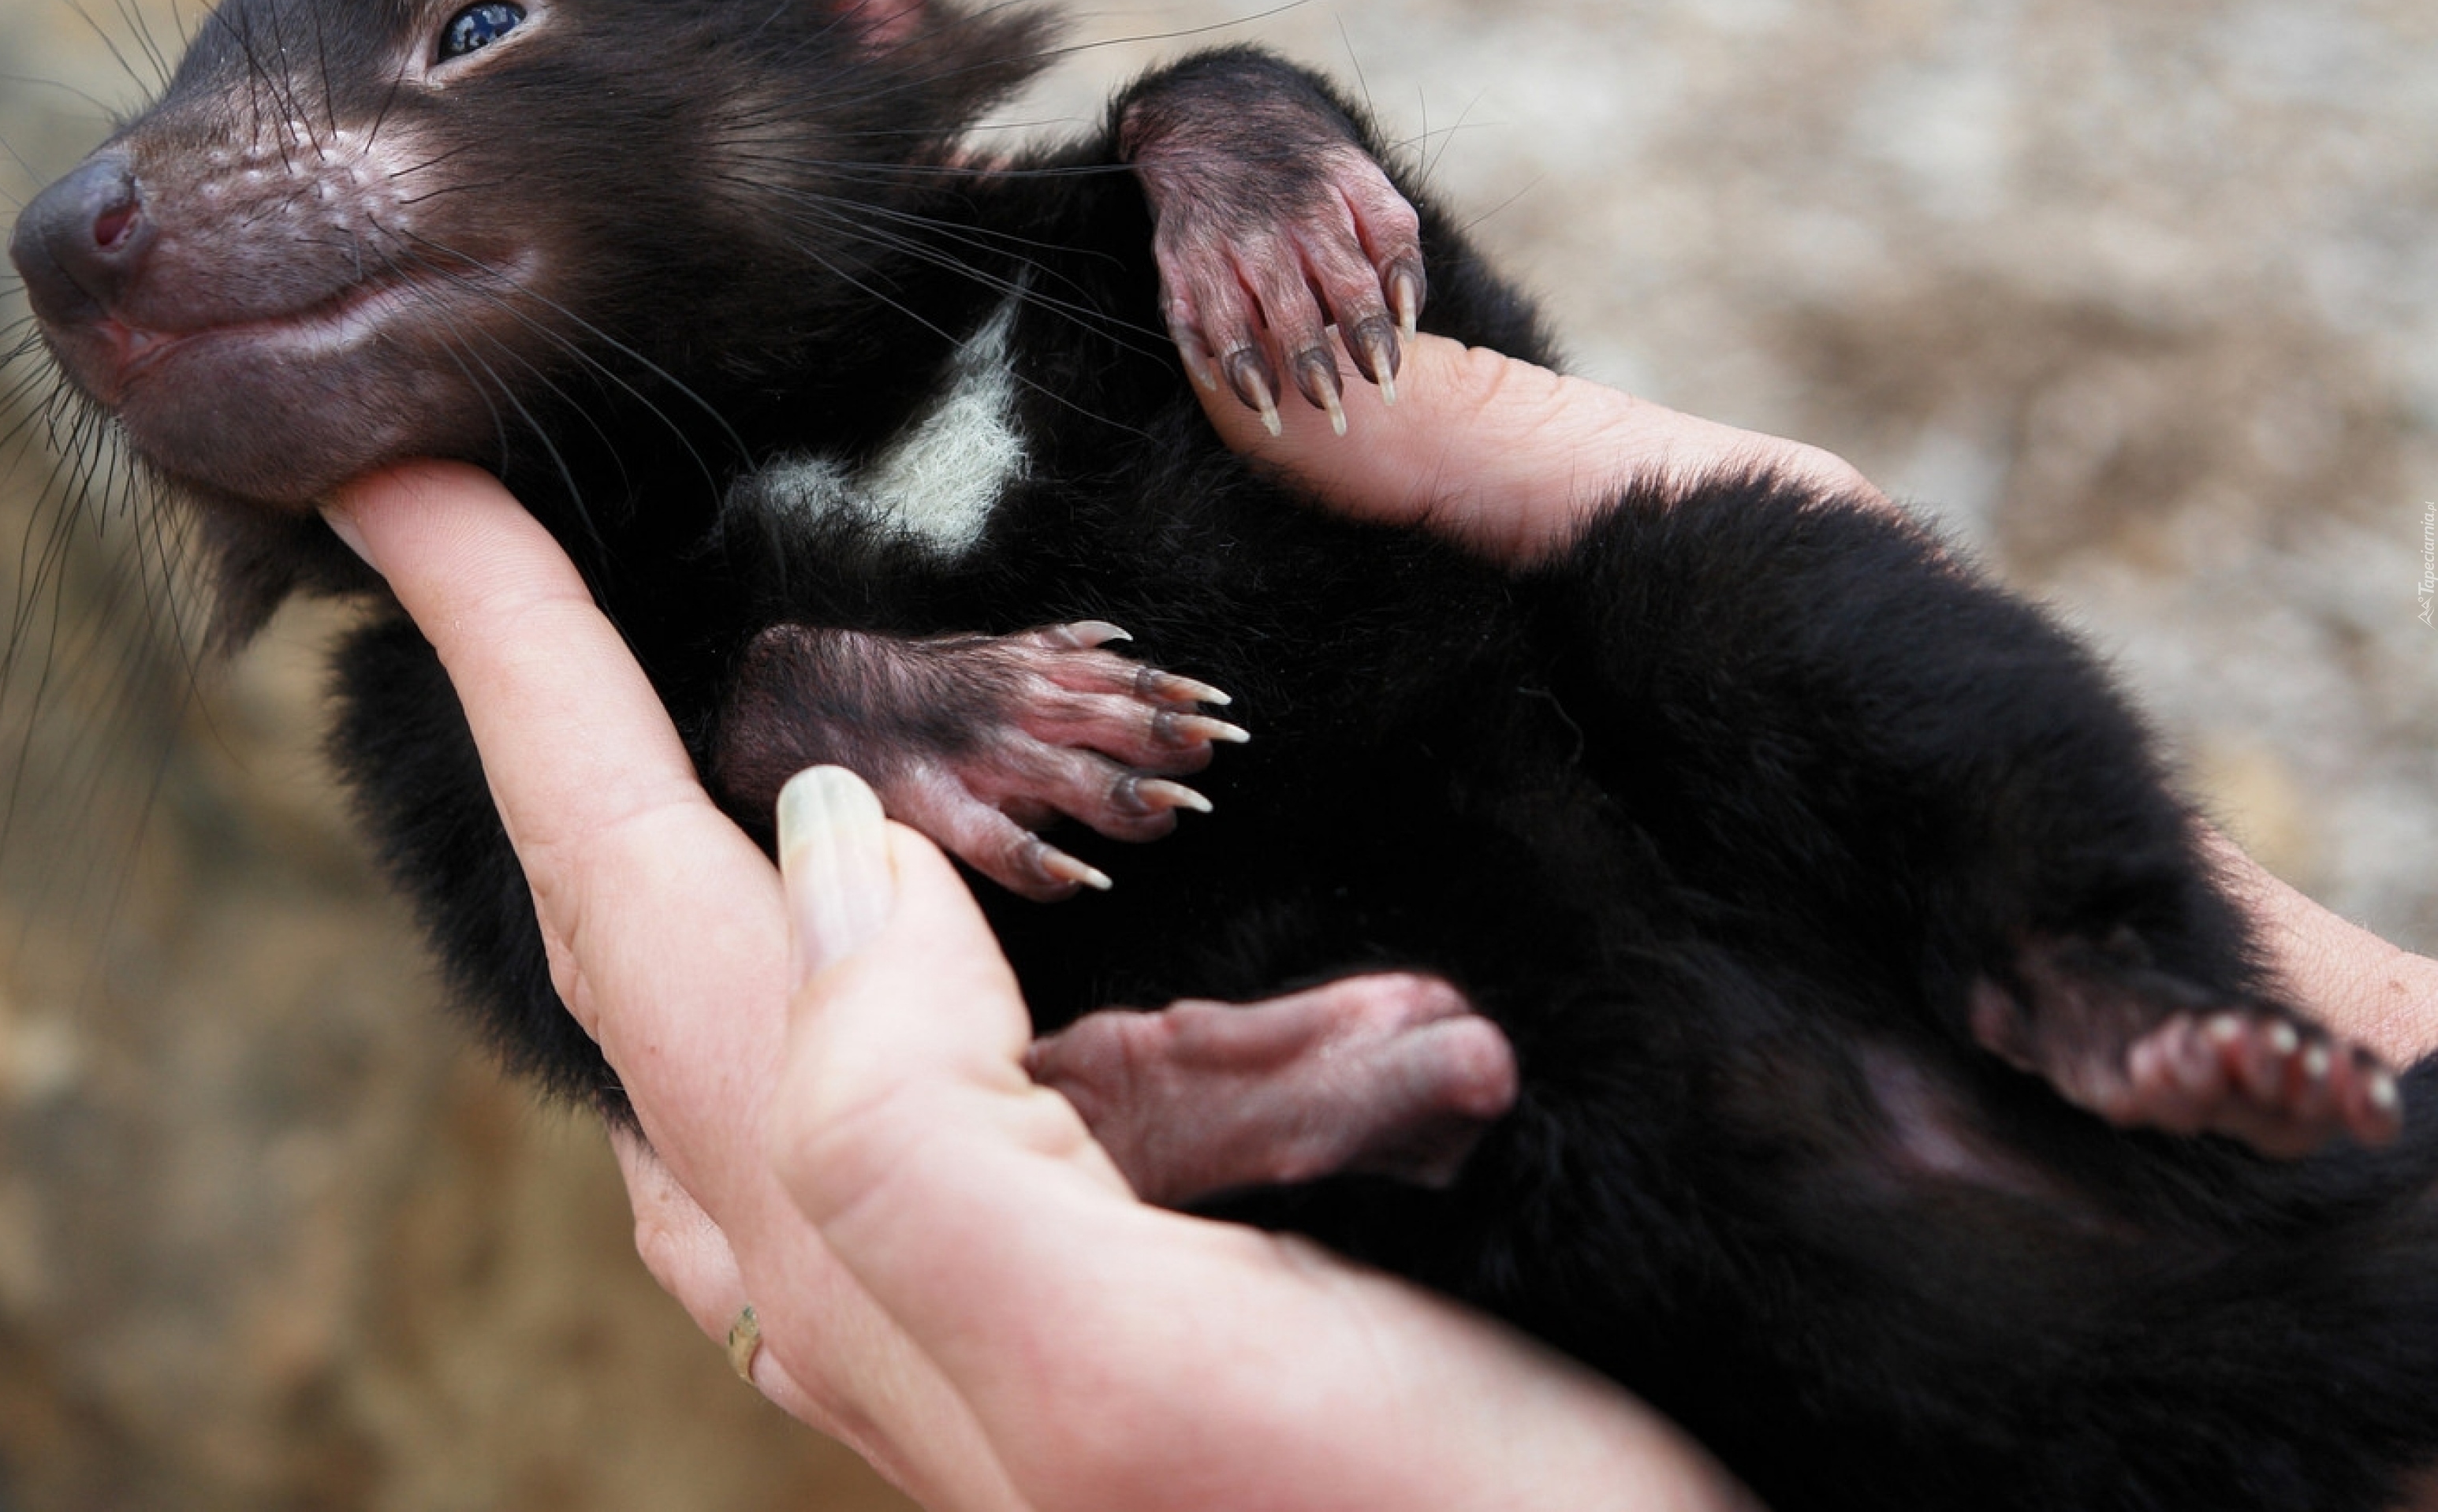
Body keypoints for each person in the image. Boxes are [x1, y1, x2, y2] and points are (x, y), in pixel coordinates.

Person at [322, 333, 2438, 1512]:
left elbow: (1445, 365)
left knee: (1722, 579)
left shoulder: (1083, 217)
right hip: (1600, 1148)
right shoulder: (442, 701)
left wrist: (1245, 137)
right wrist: (774, 704)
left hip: (1776, 862)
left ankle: (2083, 962)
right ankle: (1266, 1129)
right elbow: (600, 987)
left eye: (476, 35)